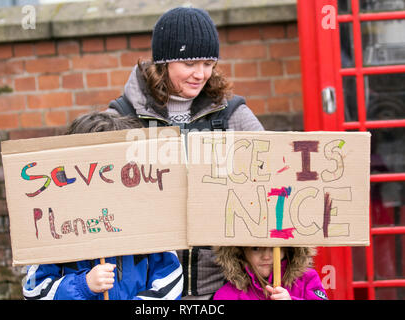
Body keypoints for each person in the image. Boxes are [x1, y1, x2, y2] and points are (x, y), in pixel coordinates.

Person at [106, 6, 265, 300]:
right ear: (163, 63)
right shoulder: (122, 116)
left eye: (208, 63)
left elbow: (271, 174)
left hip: (223, 286)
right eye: (190, 63)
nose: (201, 74)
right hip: (149, 288)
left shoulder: (233, 114)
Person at [22, 112, 183, 300]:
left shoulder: (149, 222)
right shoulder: (54, 230)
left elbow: (170, 282)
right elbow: (33, 291)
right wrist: (83, 285)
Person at [212, 246, 328, 300]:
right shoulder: (227, 294)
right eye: (256, 248)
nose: (266, 256)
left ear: (287, 249)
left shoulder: (307, 278)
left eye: (274, 249)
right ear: (241, 251)